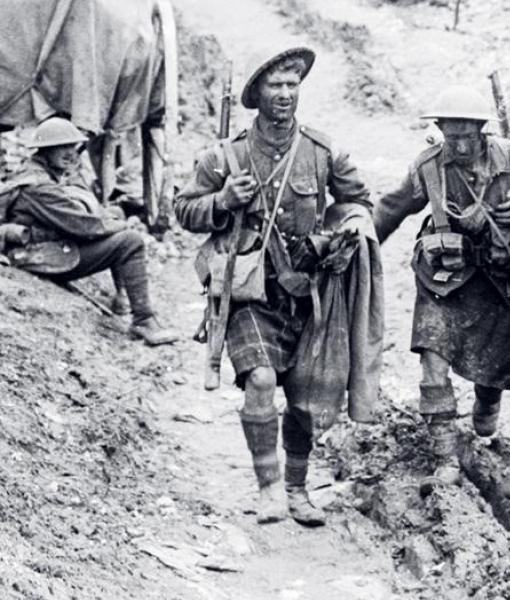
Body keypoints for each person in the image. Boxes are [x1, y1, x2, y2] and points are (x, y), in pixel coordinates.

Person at [175, 46, 375, 526]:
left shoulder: (321, 152)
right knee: (262, 380)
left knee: (306, 395)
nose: (285, 94)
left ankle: (296, 488)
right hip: (249, 290)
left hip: (309, 291)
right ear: (256, 93)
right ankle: (268, 488)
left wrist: (334, 236)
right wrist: (222, 201)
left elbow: (359, 204)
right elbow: (183, 209)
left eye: (292, 84)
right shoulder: (226, 156)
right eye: (275, 85)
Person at [373, 85, 510, 490]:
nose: (461, 146)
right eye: (452, 137)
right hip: (443, 282)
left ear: (483, 130)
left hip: (498, 282)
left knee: (494, 370)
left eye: (468, 136)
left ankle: (487, 404)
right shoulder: (428, 168)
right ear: (440, 130)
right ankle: (445, 457)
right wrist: (361, 244)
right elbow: (391, 209)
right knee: (432, 363)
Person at [0, 117, 178, 346]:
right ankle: (143, 320)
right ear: (45, 150)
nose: (70, 153)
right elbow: (82, 226)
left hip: (46, 249)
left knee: (114, 219)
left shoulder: (43, 173)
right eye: (61, 147)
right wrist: (121, 225)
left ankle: (123, 298)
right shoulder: (38, 186)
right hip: (38, 255)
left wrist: (111, 219)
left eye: (72, 147)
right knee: (130, 241)